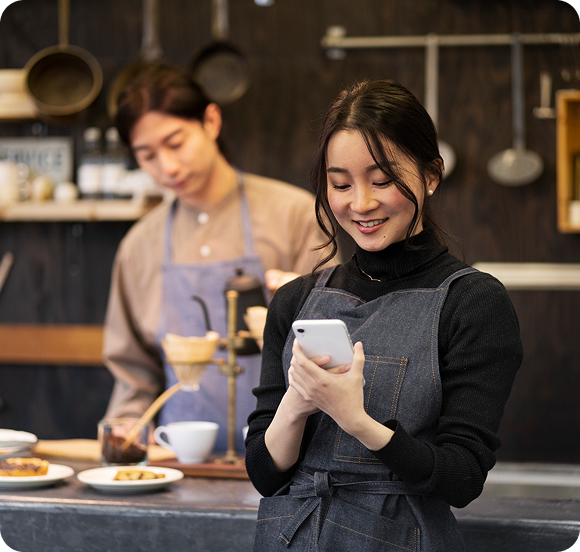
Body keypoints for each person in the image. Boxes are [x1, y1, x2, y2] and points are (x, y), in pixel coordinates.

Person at [245, 80, 523, 551]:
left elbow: (462, 478)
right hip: (286, 536)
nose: (361, 203)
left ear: (430, 175)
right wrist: (298, 402)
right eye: (340, 184)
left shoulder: (473, 302)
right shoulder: (294, 301)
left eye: (382, 180)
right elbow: (265, 475)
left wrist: (357, 420)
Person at [102, 62, 331, 453]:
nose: (167, 166)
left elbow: (332, 336)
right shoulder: (139, 245)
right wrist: (124, 429)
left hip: (291, 462)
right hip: (179, 465)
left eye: (175, 143)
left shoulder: (294, 215)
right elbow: (133, 371)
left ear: (210, 121)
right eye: (147, 155)